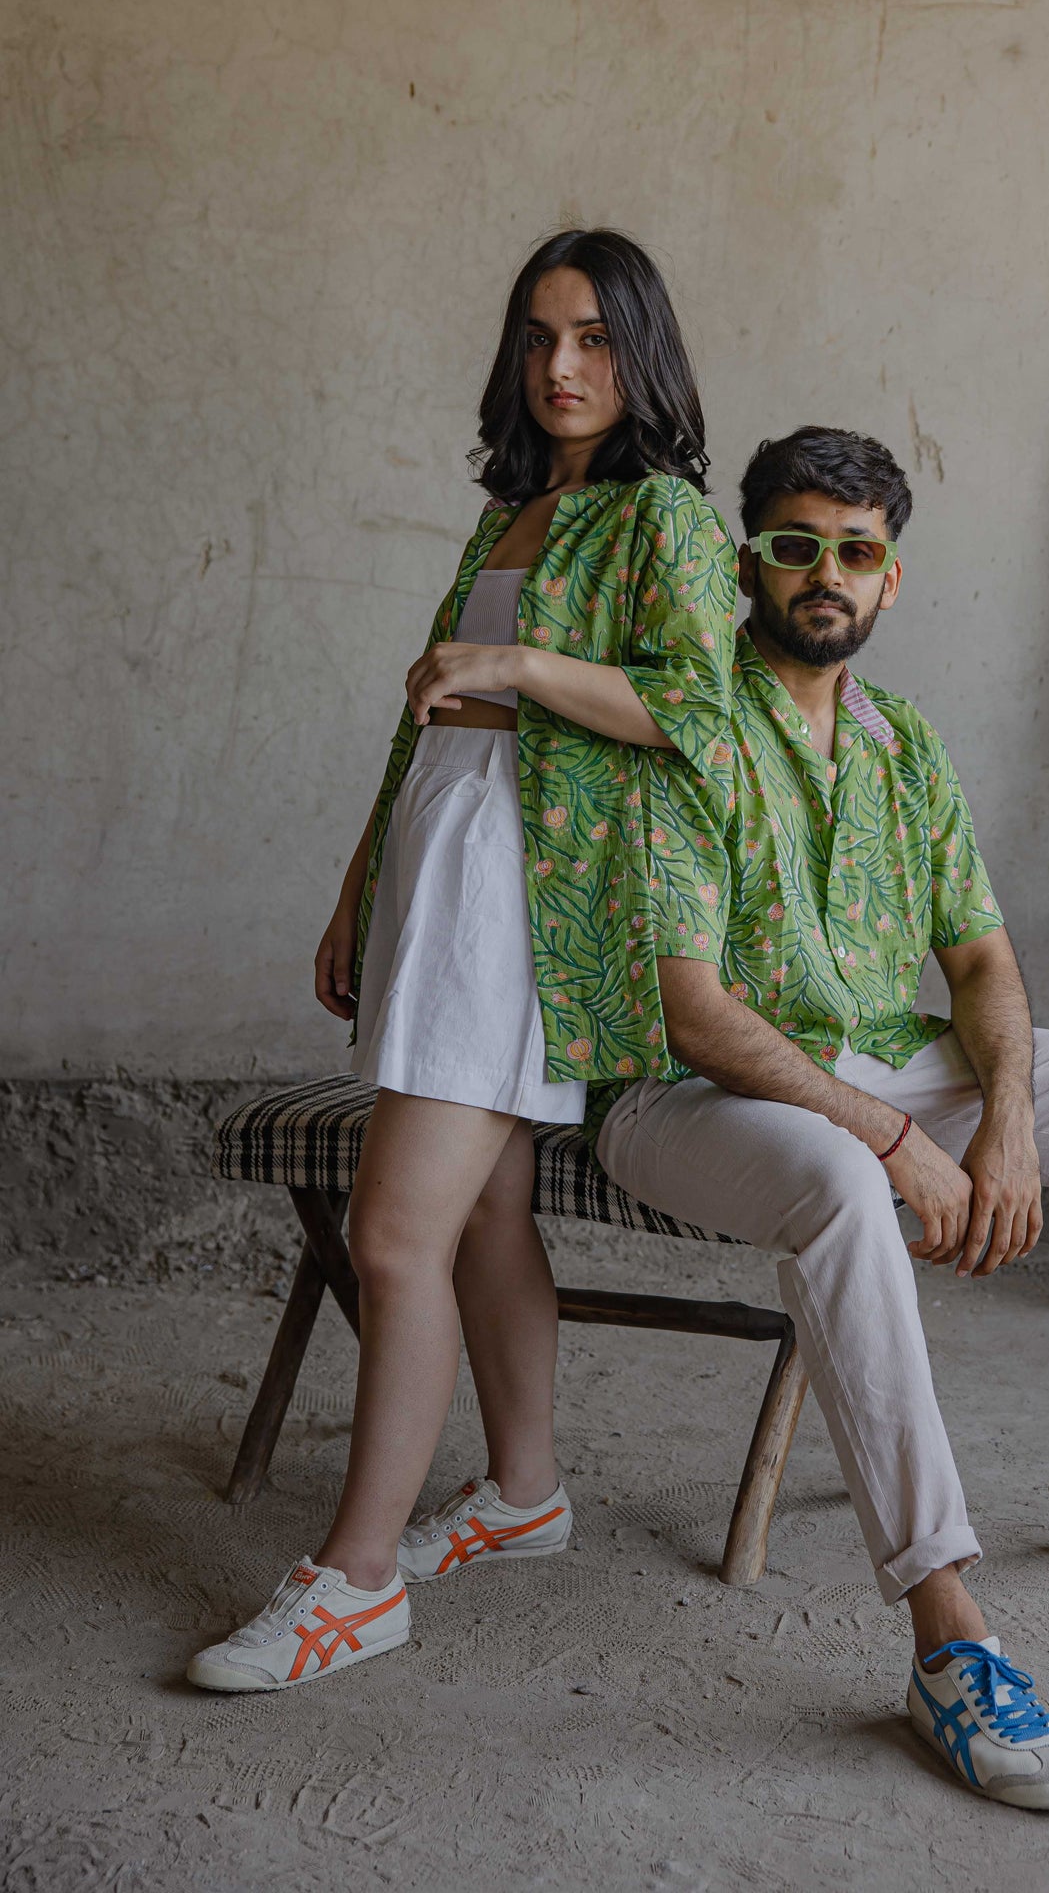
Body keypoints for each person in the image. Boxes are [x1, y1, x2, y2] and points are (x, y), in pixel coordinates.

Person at [593, 425, 1049, 1811]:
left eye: (853, 551)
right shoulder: (684, 720)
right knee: (849, 1185)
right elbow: (690, 1010)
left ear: (887, 577)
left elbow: (977, 961)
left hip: (876, 1057)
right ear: (750, 559)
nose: (823, 574)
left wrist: (1010, 1122)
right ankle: (947, 1637)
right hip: (685, 1097)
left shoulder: (898, 741)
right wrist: (893, 1133)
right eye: (795, 544)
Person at [188, 230, 737, 1693]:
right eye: (540, 336)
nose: (561, 367)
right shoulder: (510, 513)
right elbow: (422, 724)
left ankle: (355, 1582)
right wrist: (360, 882)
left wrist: (513, 670)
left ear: (642, 353)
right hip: (441, 868)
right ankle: (524, 1492)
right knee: (486, 1209)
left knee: (391, 1237)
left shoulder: (661, 516)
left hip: (523, 895)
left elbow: (702, 708)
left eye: (595, 340)